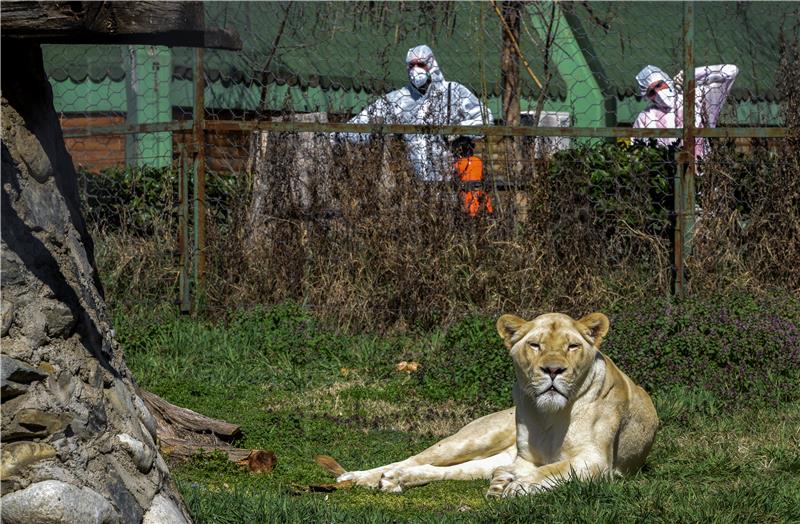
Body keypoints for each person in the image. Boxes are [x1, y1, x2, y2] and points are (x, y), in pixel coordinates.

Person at [334, 44, 493, 182]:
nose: (415, 70)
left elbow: (486, 119)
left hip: (454, 176)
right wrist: (336, 134)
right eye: (411, 65)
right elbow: (362, 123)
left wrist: (458, 131)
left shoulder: (454, 92)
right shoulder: (399, 99)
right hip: (414, 183)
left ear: (432, 65)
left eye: (420, 64)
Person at [633, 64, 739, 159]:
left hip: (701, 173)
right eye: (651, 92)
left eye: (659, 85)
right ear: (648, 97)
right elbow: (636, 151)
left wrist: (691, 76)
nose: (658, 93)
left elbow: (731, 71)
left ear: (667, 80)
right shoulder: (646, 117)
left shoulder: (697, 98)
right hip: (664, 176)